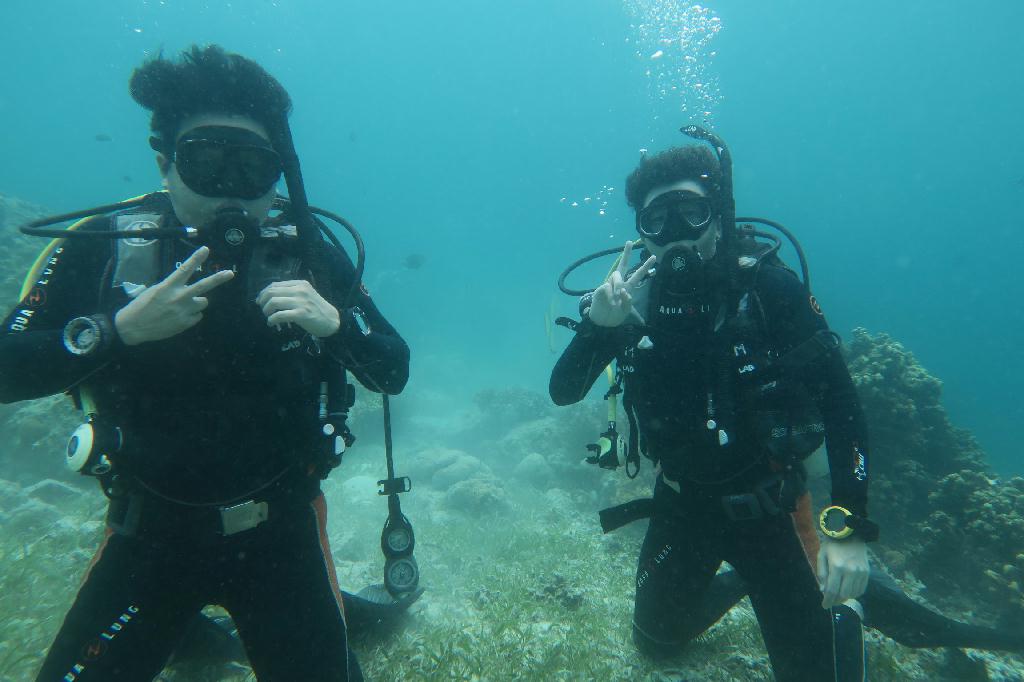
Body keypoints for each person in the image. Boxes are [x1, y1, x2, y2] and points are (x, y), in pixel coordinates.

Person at [0, 45, 409, 681]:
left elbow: (393, 369)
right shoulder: (100, 246)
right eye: (205, 162)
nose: (229, 190)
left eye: (251, 168)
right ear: (165, 165)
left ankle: (219, 635)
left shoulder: (308, 251)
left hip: (280, 536)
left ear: (278, 176)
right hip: (147, 537)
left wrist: (337, 328)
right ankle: (199, 638)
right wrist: (115, 332)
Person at [550, 133, 876, 681]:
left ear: (719, 216)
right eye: (658, 221)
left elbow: (842, 406)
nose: (675, 233)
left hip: (772, 509)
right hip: (682, 505)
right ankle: (743, 582)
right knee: (656, 641)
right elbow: (563, 390)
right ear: (642, 234)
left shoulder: (770, 291)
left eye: (691, 213)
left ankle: (839, 603)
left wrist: (848, 530)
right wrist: (596, 331)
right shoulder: (632, 304)